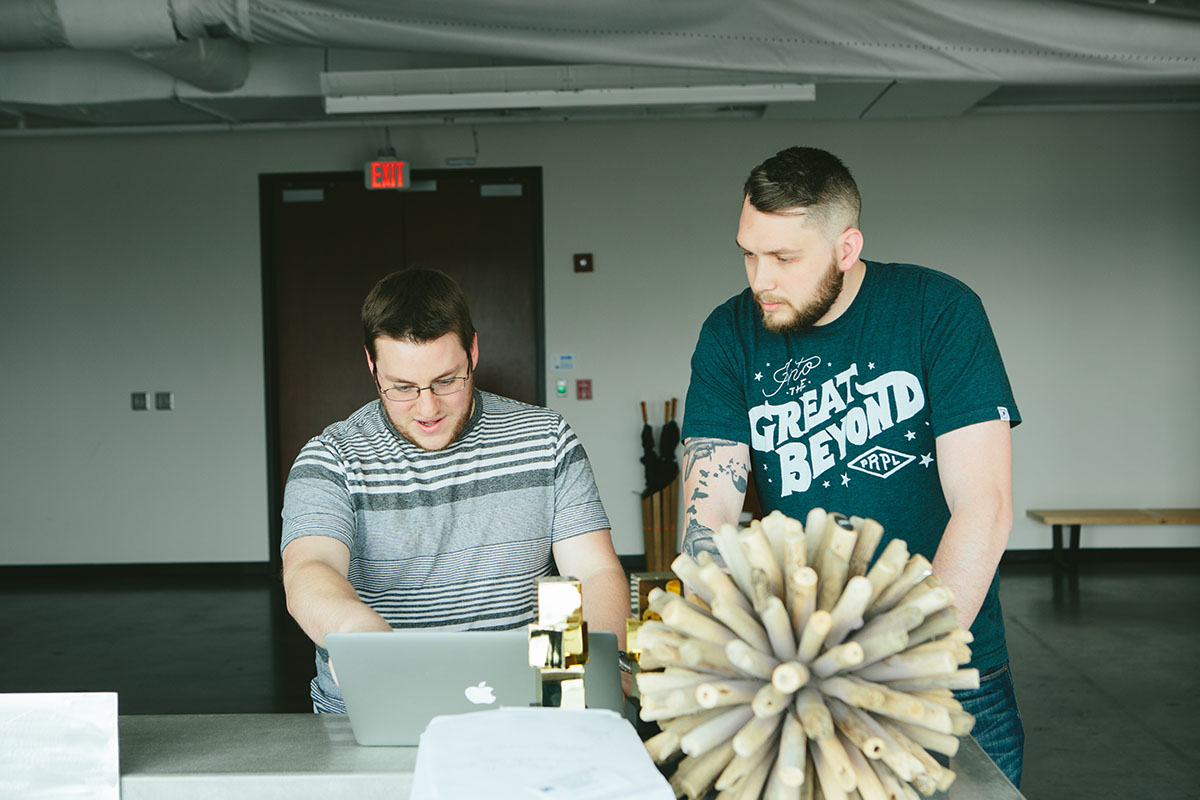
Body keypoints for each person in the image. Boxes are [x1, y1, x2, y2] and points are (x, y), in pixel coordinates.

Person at [681, 146, 1024, 785]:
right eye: (748, 253)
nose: (760, 279)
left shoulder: (938, 311)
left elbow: (986, 506)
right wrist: (724, 651)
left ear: (846, 247)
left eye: (784, 258)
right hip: (798, 676)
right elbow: (713, 509)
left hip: (946, 672)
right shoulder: (731, 333)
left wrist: (901, 668)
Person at [281, 268, 629, 713]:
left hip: (521, 708)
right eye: (403, 388)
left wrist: (598, 680)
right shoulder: (331, 458)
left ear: (474, 351)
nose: (428, 408)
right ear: (372, 365)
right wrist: (358, 636)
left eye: (447, 381)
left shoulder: (547, 440)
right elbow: (309, 569)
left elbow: (595, 571)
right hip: (373, 711)